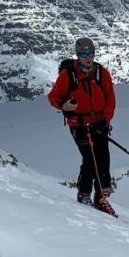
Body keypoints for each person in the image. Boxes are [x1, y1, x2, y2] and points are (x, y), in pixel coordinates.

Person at [47, 37, 117, 215]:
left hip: (99, 123)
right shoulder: (68, 75)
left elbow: (110, 99)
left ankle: (101, 196)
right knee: (90, 159)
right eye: (84, 54)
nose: (88, 58)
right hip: (79, 124)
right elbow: (53, 97)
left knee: (104, 158)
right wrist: (64, 106)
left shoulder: (102, 73)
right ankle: (84, 194)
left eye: (91, 54)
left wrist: (106, 120)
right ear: (78, 55)